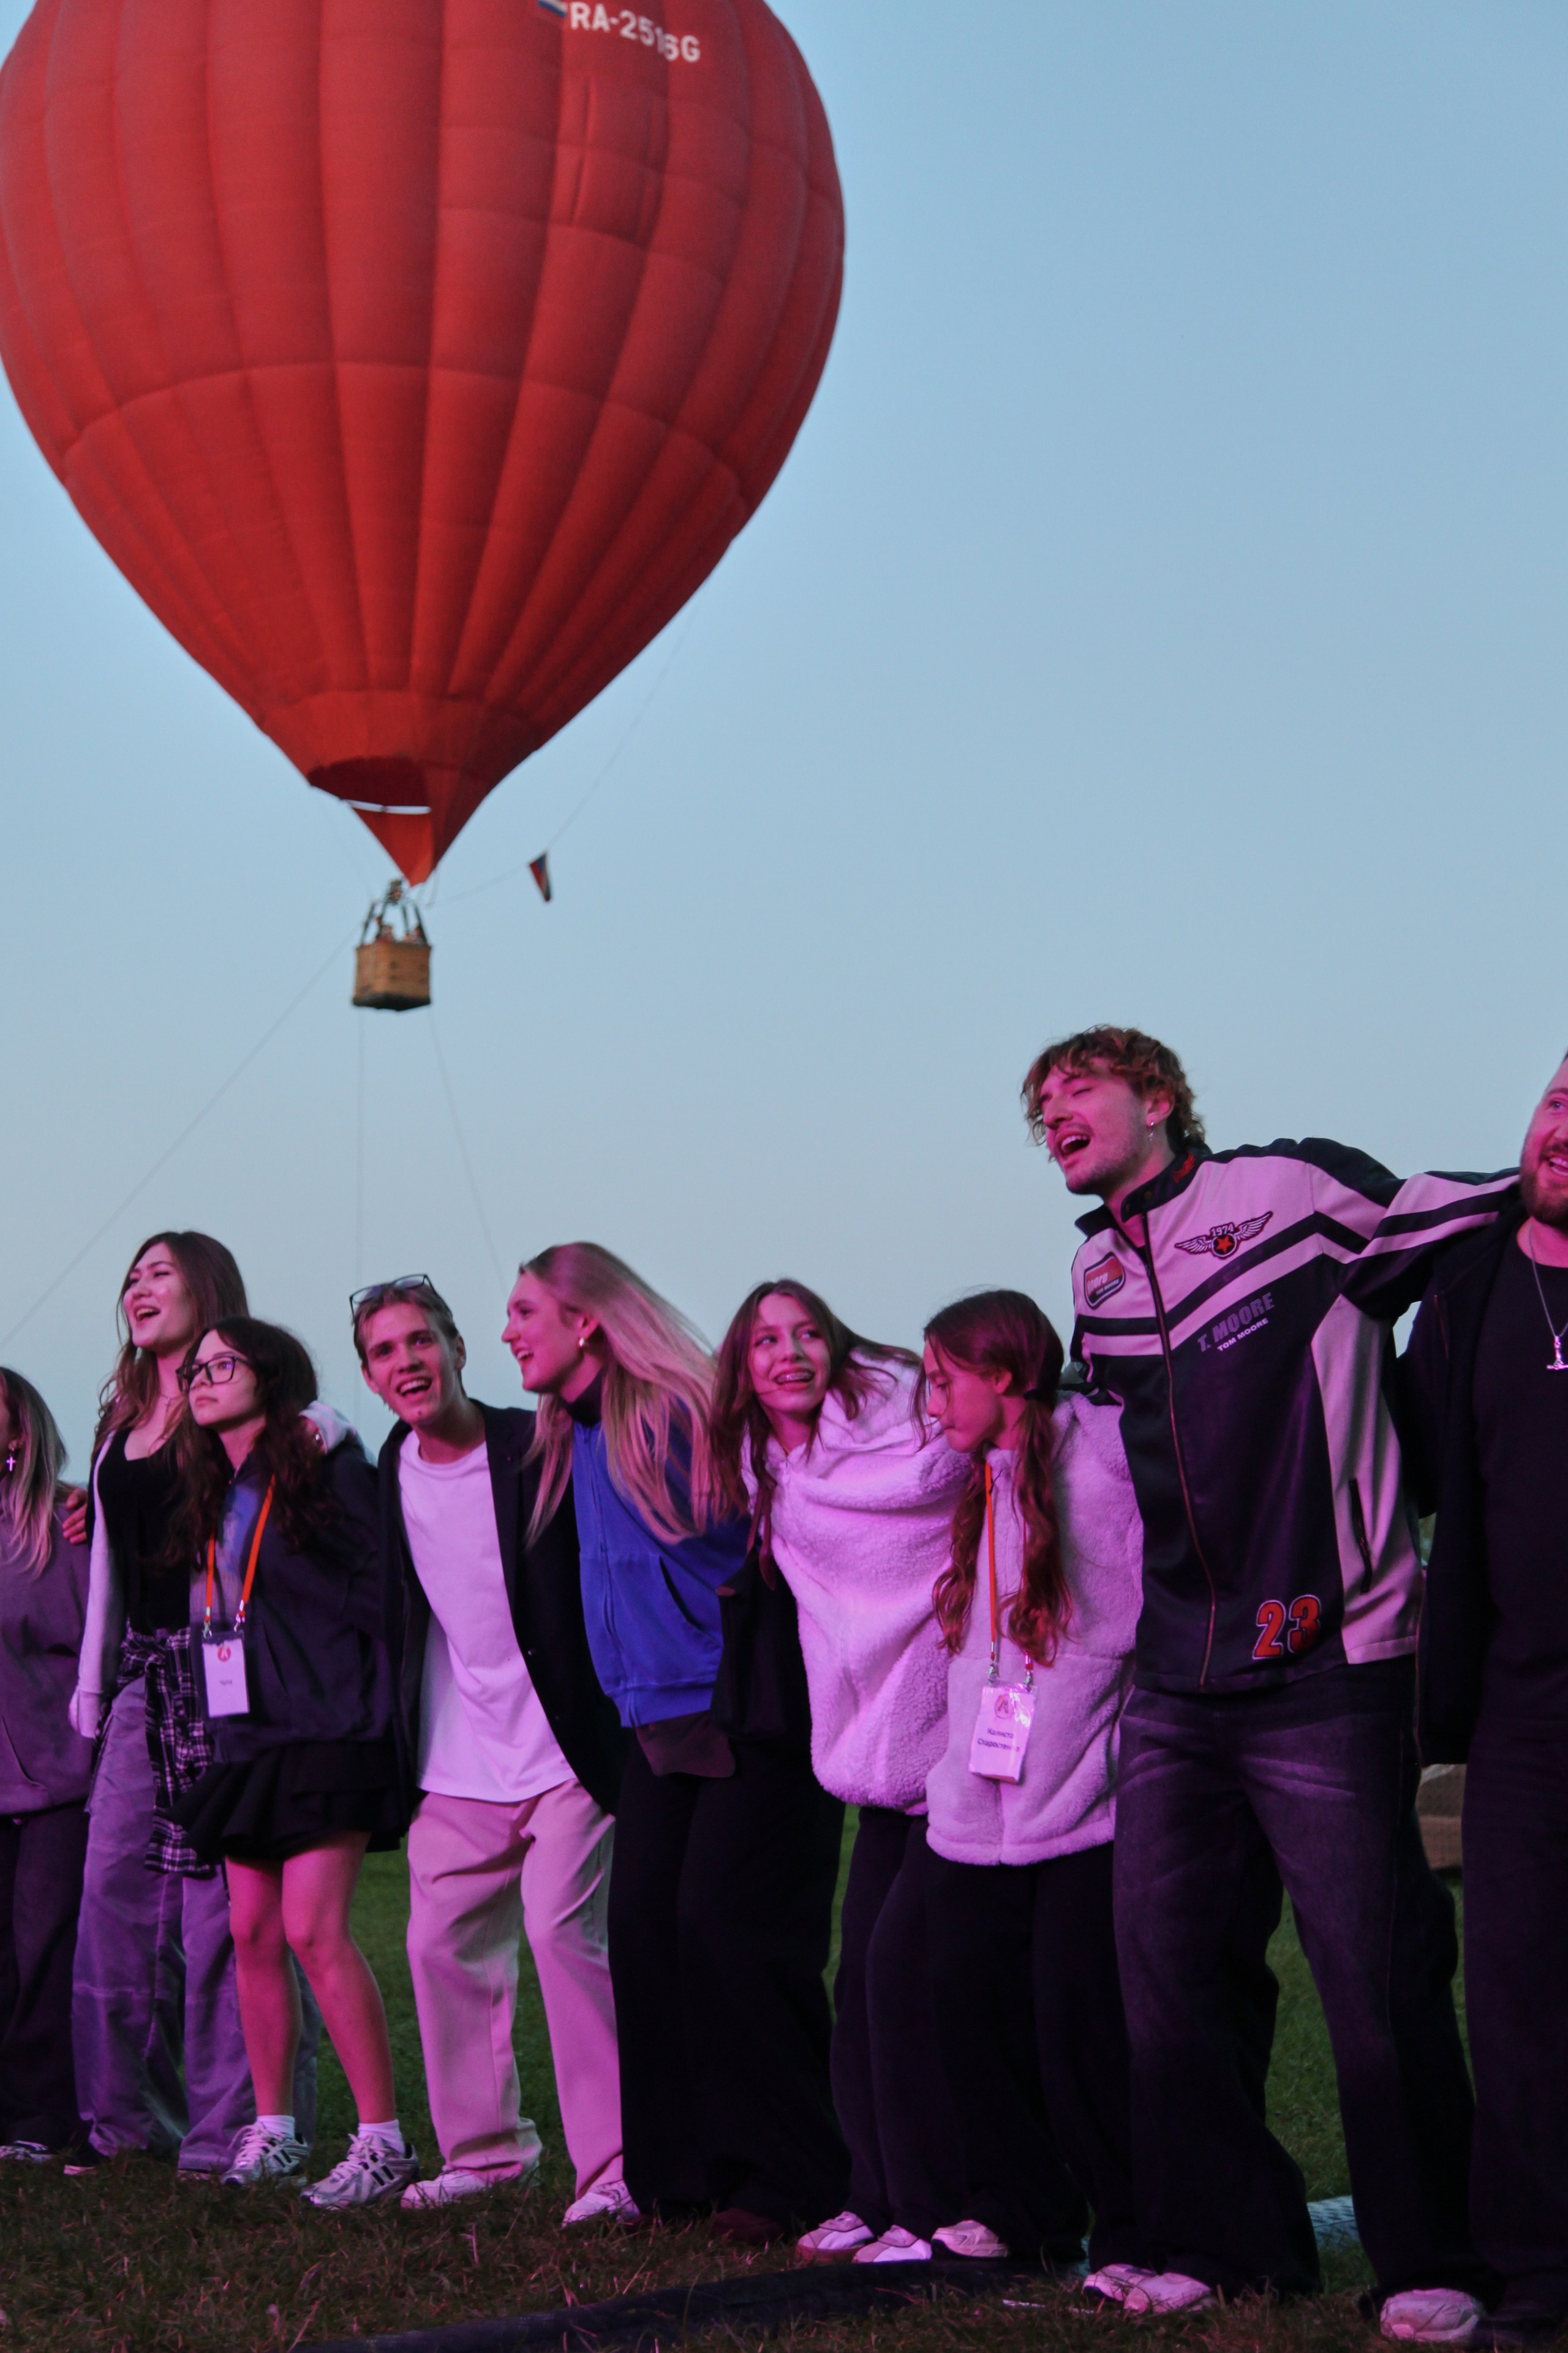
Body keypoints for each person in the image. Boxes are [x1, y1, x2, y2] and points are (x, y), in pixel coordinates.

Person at [1025, 1025, 1513, 2334]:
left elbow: (1470, 1211)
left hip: (1333, 1650)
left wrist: (1542, 1174)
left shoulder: (1292, 1195)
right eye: (1038, 1104)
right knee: (1170, 1968)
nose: (1052, 1109)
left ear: (1159, 1095)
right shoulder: (1092, 1276)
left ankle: (1434, 2262)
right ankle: (1224, 2244)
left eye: (1077, 1085)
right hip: (1176, 1674)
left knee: (1374, 1972)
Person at [504, 1244, 845, 2245]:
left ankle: (794, 2177)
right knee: (650, 1936)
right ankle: (680, 2178)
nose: (511, 1333)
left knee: (728, 1934)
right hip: (652, 1720)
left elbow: (775, 1532)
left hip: (741, 1710)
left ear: (588, 1322)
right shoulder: (569, 1433)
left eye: (527, 1311)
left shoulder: (672, 1412)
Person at [355, 1276, 630, 2220]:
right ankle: (487, 2155)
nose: (408, 1362)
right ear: (370, 1376)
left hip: (566, 1745)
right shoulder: (387, 1469)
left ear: (459, 1347)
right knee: (437, 1942)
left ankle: (619, 2168)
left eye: (421, 1340)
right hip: (458, 1755)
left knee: (561, 1932)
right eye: (386, 1352)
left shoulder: (536, 1441)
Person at [710, 1280, 971, 2266]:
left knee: (909, 1980)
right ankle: (875, 2194)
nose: (790, 1352)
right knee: (861, 1977)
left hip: (951, 1735)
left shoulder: (908, 1437)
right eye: (768, 1339)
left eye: (808, 1331)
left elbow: (921, 1532)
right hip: (869, 1750)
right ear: (742, 1364)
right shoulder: (763, 1465)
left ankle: (932, 2206)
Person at [67, 1233, 320, 2174]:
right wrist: (94, 1686)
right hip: (143, 1680)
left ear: (205, 1289)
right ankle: (119, 2120)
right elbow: (105, 1565)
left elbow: (308, 1422)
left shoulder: (235, 1398)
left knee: (223, 1914)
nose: (139, 1286)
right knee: (113, 1898)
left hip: (230, 1681)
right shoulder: (119, 1425)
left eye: (159, 1271)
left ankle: (230, 2128)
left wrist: (323, 1422)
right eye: (132, 1275)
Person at [1398, 1052, 1568, 2348]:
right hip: (1522, 1709)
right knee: (1514, 1996)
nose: (1559, 1129)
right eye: (1557, 1099)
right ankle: (1535, 2275)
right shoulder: (1462, 1286)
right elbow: (1398, 1459)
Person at [919, 1291, 1142, 2272]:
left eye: (944, 1378)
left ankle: (1135, 2220)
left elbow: (1128, 1617)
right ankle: (1017, 2206)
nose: (931, 1401)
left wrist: (1094, 1735)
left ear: (1004, 1374)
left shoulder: (1093, 1464)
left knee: (1078, 2022)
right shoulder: (984, 1480)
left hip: (1081, 1805)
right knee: (966, 2001)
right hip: (982, 1807)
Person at [169, 1318, 412, 2206]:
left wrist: (365, 1696)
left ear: (272, 1375)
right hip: (252, 1733)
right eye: (195, 1368)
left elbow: (385, 1587)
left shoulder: (325, 1465)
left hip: (328, 1727)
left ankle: (383, 2140)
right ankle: (275, 2129)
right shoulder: (220, 1490)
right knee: (253, 1932)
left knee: (315, 1929)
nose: (201, 1378)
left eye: (222, 1363)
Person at [0, 1370, 93, 2164]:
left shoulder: (60, 1525)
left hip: (58, 1778)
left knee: (43, 1950)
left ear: (17, 1435)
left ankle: (42, 2117)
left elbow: (92, 1640)